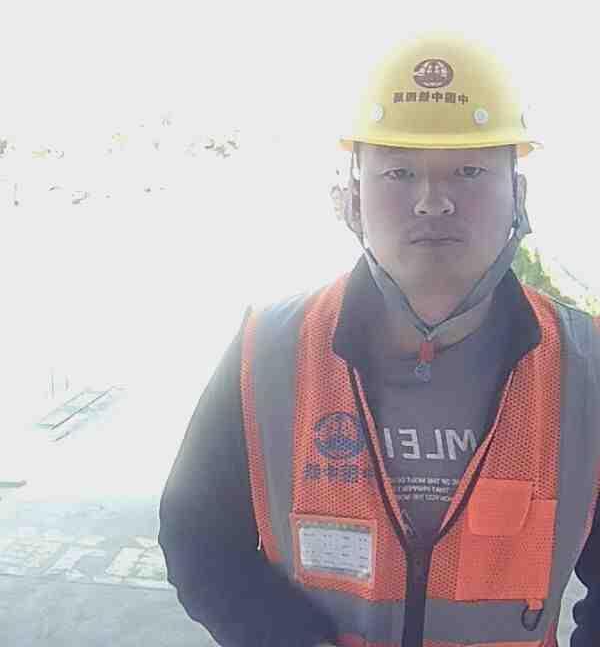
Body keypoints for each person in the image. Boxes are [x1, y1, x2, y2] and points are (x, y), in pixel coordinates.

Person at [158, 33, 600, 647]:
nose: (433, 202)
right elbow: (199, 540)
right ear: (354, 199)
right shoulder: (267, 352)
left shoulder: (585, 368)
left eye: (469, 170)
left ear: (518, 196)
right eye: (399, 171)